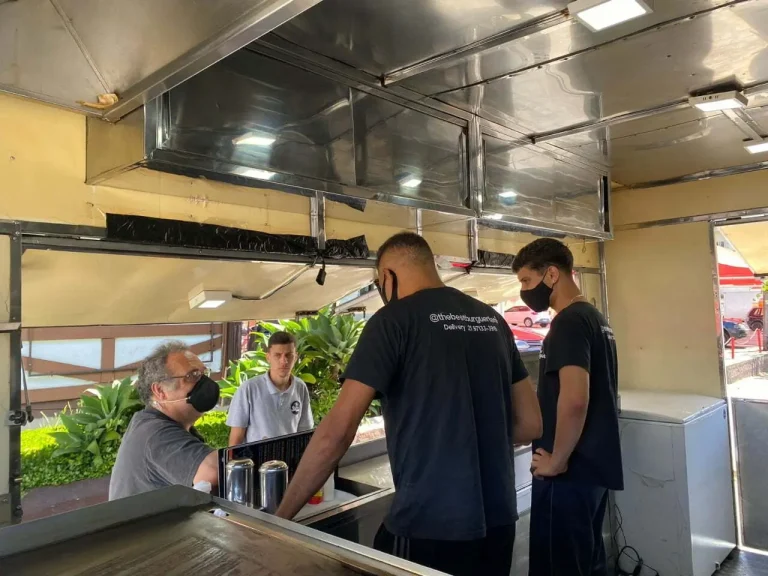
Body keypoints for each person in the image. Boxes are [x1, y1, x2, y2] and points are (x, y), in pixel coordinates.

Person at [275, 232, 542, 576]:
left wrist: (279, 521)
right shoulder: (493, 321)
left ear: (387, 277)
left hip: (429, 526)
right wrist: (472, 435)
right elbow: (531, 424)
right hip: (499, 524)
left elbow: (336, 433)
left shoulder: (392, 322)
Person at [511, 238, 623, 576]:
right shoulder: (594, 318)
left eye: (526, 281)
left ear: (551, 274)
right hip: (593, 467)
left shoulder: (568, 323)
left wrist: (557, 461)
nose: (524, 291)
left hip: (568, 471)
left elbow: (575, 398)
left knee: (557, 565)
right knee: (585, 561)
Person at [109, 341, 221, 500]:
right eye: (193, 376)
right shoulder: (154, 433)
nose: (205, 383)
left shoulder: (155, 423)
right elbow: (213, 472)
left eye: (204, 374)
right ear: (160, 390)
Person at [227, 331, 314, 444]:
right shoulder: (249, 389)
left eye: (288, 355)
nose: (284, 361)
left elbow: (304, 433)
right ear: (268, 357)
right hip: (257, 455)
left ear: (296, 357)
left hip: (290, 455)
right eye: (277, 355)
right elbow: (236, 439)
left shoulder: (300, 387)